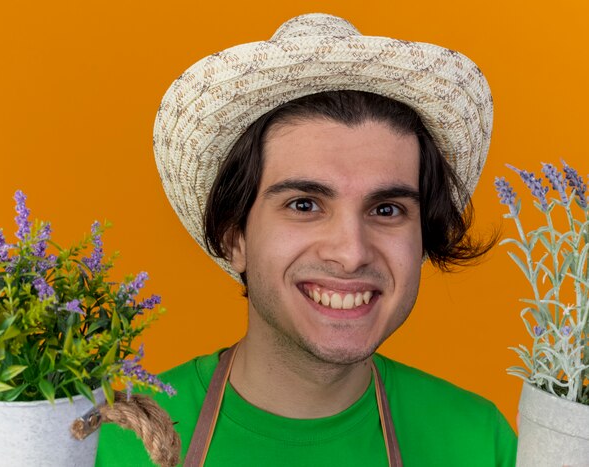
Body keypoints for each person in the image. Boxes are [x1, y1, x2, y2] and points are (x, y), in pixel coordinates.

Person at [96, 13, 517, 466]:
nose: (351, 252)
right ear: (233, 235)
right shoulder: (114, 444)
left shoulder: (480, 440)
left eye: (387, 209)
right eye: (304, 204)